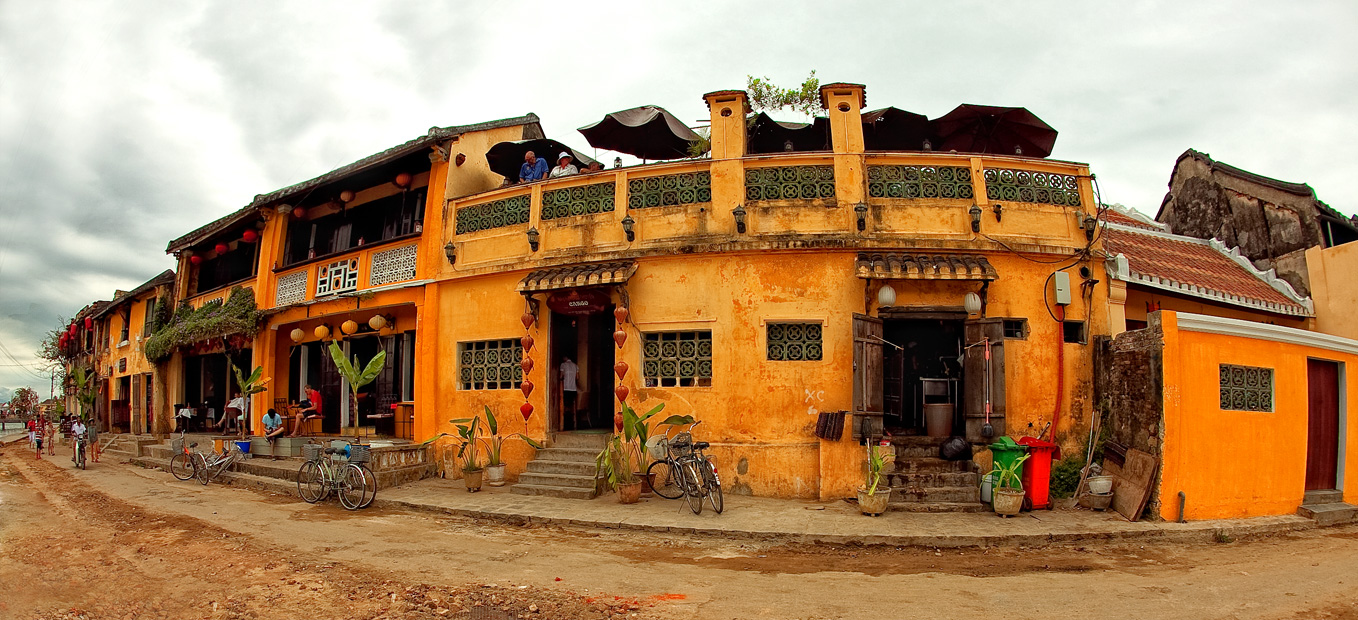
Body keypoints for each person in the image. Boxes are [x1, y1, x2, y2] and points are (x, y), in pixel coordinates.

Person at [559, 356, 580, 430]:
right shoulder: (575, 366)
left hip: (566, 388)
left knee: (564, 406)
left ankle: (563, 424)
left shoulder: (563, 365)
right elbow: (577, 377)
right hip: (573, 389)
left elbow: (561, 376)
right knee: (572, 406)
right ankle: (573, 423)